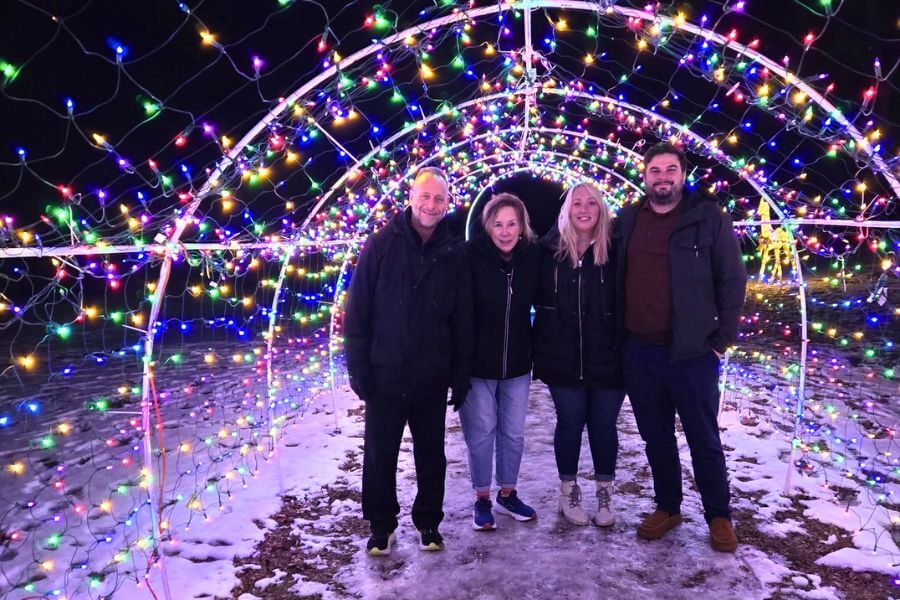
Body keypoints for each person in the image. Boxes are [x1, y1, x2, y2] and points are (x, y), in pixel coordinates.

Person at [615, 142, 747, 552]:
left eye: (670, 169)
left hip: (691, 353)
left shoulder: (706, 218)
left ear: (682, 174)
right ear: (645, 175)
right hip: (640, 351)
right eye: (655, 170)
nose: (662, 177)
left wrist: (721, 339)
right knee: (656, 438)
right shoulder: (628, 219)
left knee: (703, 437)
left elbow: (732, 279)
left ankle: (718, 515)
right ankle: (668, 506)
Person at [343, 167, 473, 556]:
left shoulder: (454, 252)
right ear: (411, 197)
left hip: (431, 375)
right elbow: (357, 309)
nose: (431, 205)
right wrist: (358, 367)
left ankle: (429, 521)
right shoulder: (381, 244)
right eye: (425, 196)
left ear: (448, 204)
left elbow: (462, 317)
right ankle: (381, 525)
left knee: (431, 454)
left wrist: (460, 373)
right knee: (380, 452)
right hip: (385, 371)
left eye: (439, 199)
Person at [533, 182, 625, 527]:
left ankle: (605, 493)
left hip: (610, 357)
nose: (584, 209)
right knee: (570, 424)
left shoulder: (617, 251)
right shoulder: (549, 251)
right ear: (566, 210)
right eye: (577, 203)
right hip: (562, 357)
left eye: (591, 203)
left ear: (601, 209)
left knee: (603, 426)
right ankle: (568, 491)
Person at [460, 192, 540, 530]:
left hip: (517, 365)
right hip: (478, 366)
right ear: (487, 225)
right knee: (481, 433)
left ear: (522, 227)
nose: (505, 231)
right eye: (498, 224)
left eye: (512, 224)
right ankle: (482, 498)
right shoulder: (469, 257)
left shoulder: (532, 258)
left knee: (513, 433)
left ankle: (507, 493)